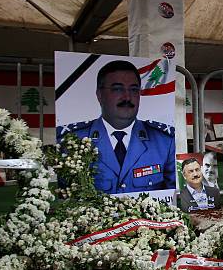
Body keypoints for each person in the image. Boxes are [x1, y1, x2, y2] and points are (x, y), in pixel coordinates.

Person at [57, 60, 175, 194]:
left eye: (134, 89)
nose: (127, 97)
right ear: (99, 95)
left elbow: (173, 197)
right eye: (117, 89)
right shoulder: (70, 141)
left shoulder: (164, 142)